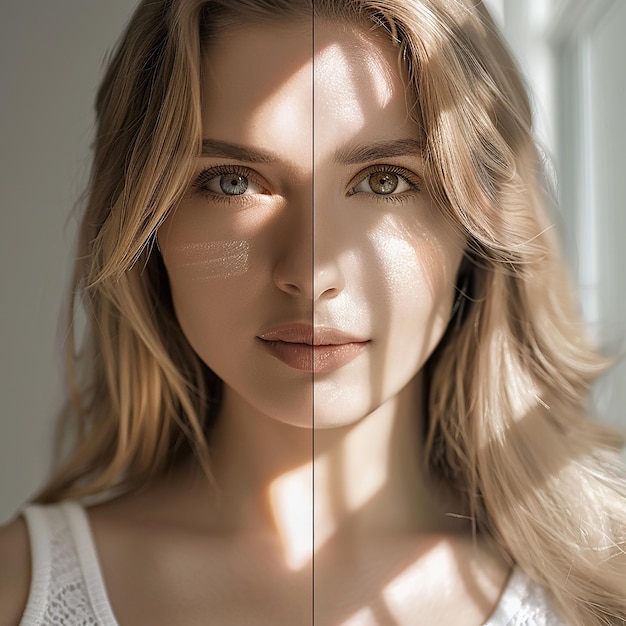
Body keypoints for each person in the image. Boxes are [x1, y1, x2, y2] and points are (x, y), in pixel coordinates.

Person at [1, 0, 625, 624]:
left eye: (385, 180)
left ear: (477, 225)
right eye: (232, 182)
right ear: (145, 224)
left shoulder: (604, 589)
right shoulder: (18, 590)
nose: (311, 272)